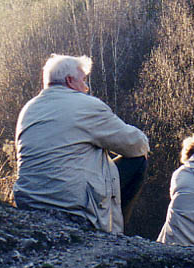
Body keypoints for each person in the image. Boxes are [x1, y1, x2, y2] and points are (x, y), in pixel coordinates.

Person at [13, 54, 149, 234]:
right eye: (83, 80)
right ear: (70, 81)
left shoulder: (28, 109)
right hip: (72, 207)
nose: (86, 87)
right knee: (138, 160)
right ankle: (117, 236)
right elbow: (135, 144)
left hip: (28, 202)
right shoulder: (86, 105)